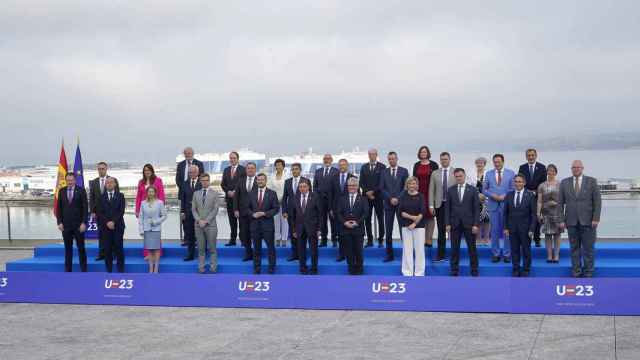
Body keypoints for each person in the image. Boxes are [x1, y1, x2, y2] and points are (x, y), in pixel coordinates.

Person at [559, 160, 602, 278]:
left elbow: (597, 202)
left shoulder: (592, 181)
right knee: (574, 249)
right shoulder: (564, 182)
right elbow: (560, 203)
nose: (576, 169)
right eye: (574, 167)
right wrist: (561, 220)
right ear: (571, 169)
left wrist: (596, 218)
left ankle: (588, 272)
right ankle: (576, 271)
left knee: (588, 249)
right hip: (571, 221)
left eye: (578, 167)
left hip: (588, 222)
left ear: (582, 168)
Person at [445, 169, 480, 277]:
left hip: (469, 224)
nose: (459, 178)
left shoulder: (473, 190)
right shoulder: (450, 190)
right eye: (457, 176)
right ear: (454, 177)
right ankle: (454, 270)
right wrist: (447, 224)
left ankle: (474, 270)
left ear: (464, 176)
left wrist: (475, 224)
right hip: (454, 223)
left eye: (460, 176)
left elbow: (476, 209)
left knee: (472, 248)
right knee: (454, 248)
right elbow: (447, 209)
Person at [483, 154, 515, 263]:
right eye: (495, 162)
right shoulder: (488, 174)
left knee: (507, 231)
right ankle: (495, 254)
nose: (497, 164)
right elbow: (484, 189)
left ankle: (507, 254)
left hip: (506, 206)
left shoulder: (511, 173)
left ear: (503, 161)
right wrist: (493, 195)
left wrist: (504, 195)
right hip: (493, 205)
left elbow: (513, 188)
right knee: (495, 231)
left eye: (498, 162)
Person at [503, 175, 537, 277]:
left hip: (526, 229)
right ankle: (516, 269)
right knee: (514, 250)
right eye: (516, 181)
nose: (518, 183)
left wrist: (532, 229)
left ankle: (526, 269)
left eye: (520, 181)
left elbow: (533, 215)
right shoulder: (509, 195)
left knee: (526, 250)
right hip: (512, 228)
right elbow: (505, 213)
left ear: (524, 183)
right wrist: (505, 228)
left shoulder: (530, 195)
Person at [379, 151, 409, 262]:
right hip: (388, 204)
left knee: (403, 230)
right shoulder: (384, 172)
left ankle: (406, 254)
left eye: (393, 158)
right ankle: (389, 255)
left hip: (401, 205)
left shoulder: (404, 171)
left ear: (397, 159)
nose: (391, 160)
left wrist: (398, 199)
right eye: (390, 159)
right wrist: (390, 199)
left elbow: (406, 187)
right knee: (389, 231)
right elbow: (381, 188)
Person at [56, 173, 89, 272]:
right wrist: (59, 222)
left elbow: (85, 208)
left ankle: (84, 269)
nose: (70, 182)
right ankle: (68, 270)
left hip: (79, 225)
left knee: (81, 248)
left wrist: (84, 223)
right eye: (68, 180)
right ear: (66, 181)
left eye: (71, 180)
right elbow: (59, 209)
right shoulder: (61, 191)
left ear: (75, 180)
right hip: (65, 225)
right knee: (68, 248)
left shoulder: (81, 191)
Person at [248, 173, 280, 274]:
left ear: (265, 181)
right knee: (256, 249)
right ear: (256, 181)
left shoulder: (272, 193)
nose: (260, 181)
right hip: (255, 226)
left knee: (270, 248)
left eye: (262, 180)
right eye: (258, 180)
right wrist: (253, 214)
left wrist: (265, 213)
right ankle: (257, 268)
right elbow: (246, 208)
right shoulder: (251, 193)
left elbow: (276, 209)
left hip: (268, 226)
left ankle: (272, 268)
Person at [337, 178, 369, 275]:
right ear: (347, 187)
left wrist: (357, 222)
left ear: (357, 186)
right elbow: (338, 213)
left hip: (358, 229)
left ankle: (359, 269)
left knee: (358, 250)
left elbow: (366, 213)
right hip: (345, 229)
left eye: (354, 185)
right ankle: (351, 269)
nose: (352, 187)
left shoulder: (363, 199)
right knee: (349, 251)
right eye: (350, 186)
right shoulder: (342, 198)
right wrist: (344, 222)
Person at [290, 179, 322, 275]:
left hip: (312, 228)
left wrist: (319, 229)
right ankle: (302, 268)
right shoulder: (295, 198)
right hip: (299, 229)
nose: (302, 189)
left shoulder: (315, 197)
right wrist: (294, 230)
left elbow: (320, 214)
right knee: (301, 250)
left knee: (313, 250)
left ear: (308, 187)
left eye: (304, 186)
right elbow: (292, 216)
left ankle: (314, 268)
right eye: (300, 187)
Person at [89, 161, 120, 261]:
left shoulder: (113, 180)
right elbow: (91, 197)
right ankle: (102, 254)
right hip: (99, 213)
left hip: (111, 213)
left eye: (103, 168)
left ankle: (114, 253)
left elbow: (117, 196)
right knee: (102, 234)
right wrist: (92, 211)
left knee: (113, 233)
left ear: (106, 169)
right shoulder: (93, 182)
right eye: (99, 169)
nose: (101, 170)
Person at [135, 164, 166, 259]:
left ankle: (157, 253)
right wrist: (137, 209)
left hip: (155, 210)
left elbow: (161, 195)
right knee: (146, 232)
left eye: (148, 170)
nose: (147, 172)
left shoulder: (158, 180)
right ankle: (148, 254)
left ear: (152, 171)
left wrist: (160, 208)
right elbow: (138, 196)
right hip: (144, 209)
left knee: (155, 232)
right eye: (145, 170)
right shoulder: (141, 182)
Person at [96, 177, 126, 273]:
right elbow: (99, 212)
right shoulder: (101, 197)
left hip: (118, 227)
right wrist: (107, 222)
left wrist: (113, 221)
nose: (109, 184)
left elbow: (121, 211)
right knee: (107, 250)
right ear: (105, 185)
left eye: (111, 182)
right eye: (107, 182)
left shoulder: (121, 196)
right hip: (105, 228)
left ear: (115, 184)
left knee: (119, 249)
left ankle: (120, 270)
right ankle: (109, 271)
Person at [192, 173, 220, 274]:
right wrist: (199, 220)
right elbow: (193, 210)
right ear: (200, 181)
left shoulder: (215, 193)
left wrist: (206, 221)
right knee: (201, 249)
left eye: (207, 180)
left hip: (211, 225)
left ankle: (213, 268)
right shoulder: (196, 194)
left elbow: (215, 210)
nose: (205, 182)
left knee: (212, 248)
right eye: (203, 180)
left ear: (209, 181)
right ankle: (201, 267)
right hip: (198, 225)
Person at [518, 148, 547, 247]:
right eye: (529, 155)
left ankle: (537, 239)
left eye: (532, 155)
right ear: (526, 157)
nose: (530, 157)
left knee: (537, 217)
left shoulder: (542, 167)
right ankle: (526, 238)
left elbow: (543, 182)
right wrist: (527, 191)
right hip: (526, 196)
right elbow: (520, 181)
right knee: (527, 218)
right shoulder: (522, 167)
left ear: (536, 156)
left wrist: (536, 191)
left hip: (538, 197)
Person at [428, 152, 454, 262]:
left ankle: (454, 254)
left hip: (453, 206)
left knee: (454, 231)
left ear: (450, 159)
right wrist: (431, 205)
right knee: (441, 231)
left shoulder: (455, 172)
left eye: (446, 159)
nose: (444, 161)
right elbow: (431, 190)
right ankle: (441, 255)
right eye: (442, 159)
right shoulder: (435, 173)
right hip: (439, 205)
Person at [399, 177, 426, 276]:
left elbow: (423, 211)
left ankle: (419, 273)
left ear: (417, 185)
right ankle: (407, 272)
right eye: (410, 183)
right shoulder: (403, 196)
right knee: (407, 250)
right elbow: (401, 212)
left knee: (419, 250)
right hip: (406, 226)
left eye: (414, 183)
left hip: (419, 226)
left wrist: (415, 223)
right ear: (407, 185)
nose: (412, 185)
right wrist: (412, 217)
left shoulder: (421, 196)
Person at [282, 162, 309, 262]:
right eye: (293, 169)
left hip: (302, 212)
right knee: (293, 233)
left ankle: (302, 254)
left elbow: (310, 196)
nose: (294, 171)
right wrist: (284, 211)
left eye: (296, 169)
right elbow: (285, 198)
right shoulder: (287, 182)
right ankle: (294, 254)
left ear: (300, 170)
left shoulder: (306, 180)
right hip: (290, 212)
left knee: (303, 234)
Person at [412, 146, 439, 248]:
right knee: (421, 216)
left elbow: (437, 179)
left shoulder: (434, 164)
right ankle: (422, 239)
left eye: (425, 152)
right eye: (422, 152)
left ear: (428, 153)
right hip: (419, 193)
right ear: (419, 153)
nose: (423, 153)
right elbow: (414, 179)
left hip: (430, 193)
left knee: (430, 216)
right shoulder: (416, 165)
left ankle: (429, 239)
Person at [359, 148, 386, 248]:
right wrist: (367, 192)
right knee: (367, 218)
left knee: (380, 218)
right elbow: (361, 182)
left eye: (373, 154)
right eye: (370, 154)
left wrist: (373, 192)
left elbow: (382, 183)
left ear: (376, 155)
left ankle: (380, 240)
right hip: (366, 197)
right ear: (368, 155)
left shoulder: (382, 167)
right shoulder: (364, 167)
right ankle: (370, 240)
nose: (371, 156)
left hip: (378, 196)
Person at [330, 159, 356, 262]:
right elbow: (330, 194)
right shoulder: (334, 178)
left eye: (344, 165)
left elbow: (356, 194)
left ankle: (351, 253)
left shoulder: (353, 178)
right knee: (340, 233)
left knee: (351, 233)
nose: (342, 167)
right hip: (337, 210)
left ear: (347, 166)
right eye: (340, 165)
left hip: (349, 209)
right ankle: (341, 254)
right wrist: (331, 208)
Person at [138, 186, 168, 273]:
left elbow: (164, 215)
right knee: (150, 249)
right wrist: (141, 229)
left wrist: (156, 222)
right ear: (147, 193)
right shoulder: (143, 203)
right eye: (149, 192)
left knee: (157, 249)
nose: (150, 193)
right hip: (146, 229)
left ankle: (156, 268)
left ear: (155, 193)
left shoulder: (160, 203)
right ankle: (151, 268)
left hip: (156, 229)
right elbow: (141, 217)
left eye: (152, 192)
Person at [537, 164, 563, 263]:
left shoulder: (560, 185)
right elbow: (539, 201)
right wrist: (538, 213)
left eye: (552, 170)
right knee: (547, 235)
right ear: (546, 172)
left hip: (557, 212)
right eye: (549, 170)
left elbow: (564, 200)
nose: (550, 172)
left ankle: (556, 256)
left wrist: (556, 203)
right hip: (546, 212)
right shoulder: (542, 185)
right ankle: (549, 255)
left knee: (557, 235)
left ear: (555, 172)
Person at [233, 162, 258, 262]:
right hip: (243, 213)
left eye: (252, 168)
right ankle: (248, 254)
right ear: (246, 170)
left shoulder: (259, 180)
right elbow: (236, 197)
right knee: (245, 234)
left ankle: (256, 254)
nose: (250, 170)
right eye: (248, 168)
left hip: (255, 213)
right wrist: (235, 209)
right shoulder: (240, 181)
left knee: (256, 235)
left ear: (255, 170)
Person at [221, 151, 246, 246]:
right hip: (229, 199)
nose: (232, 160)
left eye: (234, 158)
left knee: (242, 222)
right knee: (232, 221)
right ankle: (232, 240)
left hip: (240, 200)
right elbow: (223, 184)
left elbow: (243, 183)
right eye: (231, 158)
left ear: (238, 159)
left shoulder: (243, 169)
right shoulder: (226, 170)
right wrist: (228, 191)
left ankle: (243, 240)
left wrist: (235, 192)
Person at [313, 154, 338, 248]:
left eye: (328, 159)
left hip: (332, 201)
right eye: (325, 159)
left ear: (331, 160)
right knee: (322, 220)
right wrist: (316, 197)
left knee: (333, 220)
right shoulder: (318, 171)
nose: (327, 160)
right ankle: (323, 240)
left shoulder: (336, 171)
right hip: (320, 201)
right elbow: (314, 186)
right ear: (323, 160)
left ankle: (334, 239)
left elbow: (337, 187)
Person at [180, 165, 201, 261]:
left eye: (193, 172)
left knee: (201, 234)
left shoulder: (202, 183)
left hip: (200, 213)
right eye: (190, 173)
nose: (191, 174)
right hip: (188, 213)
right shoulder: (184, 184)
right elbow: (183, 199)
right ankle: (190, 254)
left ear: (197, 172)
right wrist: (182, 212)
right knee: (189, 235)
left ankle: (202, 254)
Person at [468, 157, 490, 246]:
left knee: (487, 220)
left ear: (484, 164)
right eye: (478, 163)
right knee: (477, 219)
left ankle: (486, 238)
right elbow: (469, 186)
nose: (479, 164)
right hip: (475, 199)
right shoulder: (471, 174)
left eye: (481, 163)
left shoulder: (488, 174)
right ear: (476, 164)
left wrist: (485, 196)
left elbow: (490, 186)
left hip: (487, 200)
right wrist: (477, 195)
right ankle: (478, 239)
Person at [267, 159, 288, 248]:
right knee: (276, 221)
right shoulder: (272, 177)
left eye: (280, 165)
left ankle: (284, 239)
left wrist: (282, 199)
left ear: (283, 166)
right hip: (274, 202)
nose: (278, 166)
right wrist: (274, 200)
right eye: (277, 165)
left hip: (285, 202)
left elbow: (288, 190)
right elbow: (269, 189)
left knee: (285, 221)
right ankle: (277, 239)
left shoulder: (287, 176)